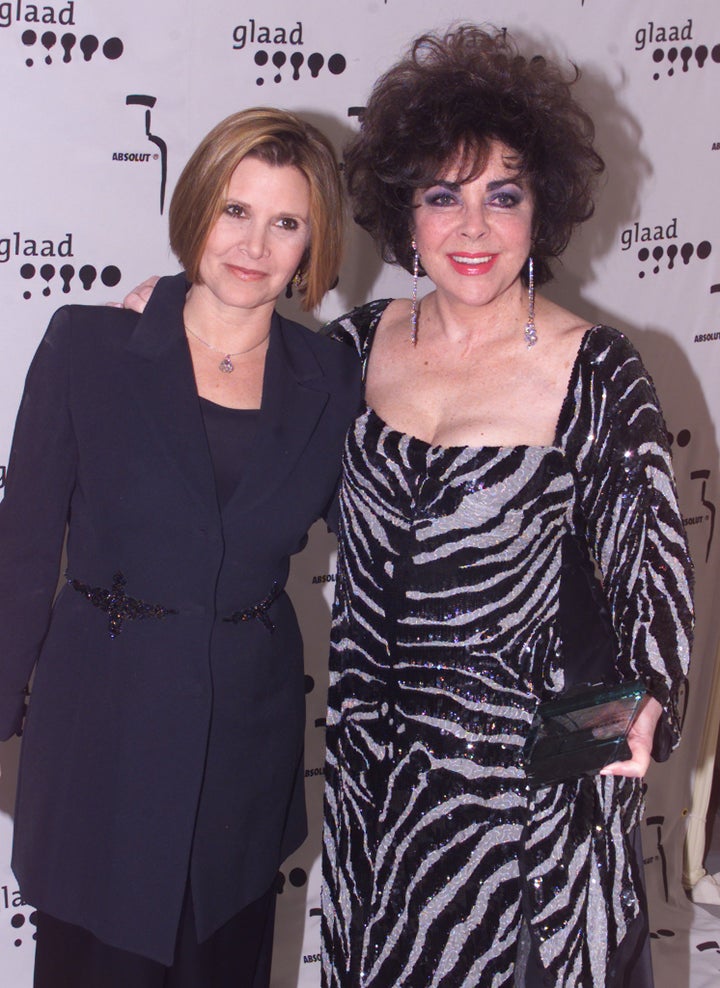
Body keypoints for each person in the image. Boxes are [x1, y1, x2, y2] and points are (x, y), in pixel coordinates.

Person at [320, 25, 693, 988]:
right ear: (405, 214)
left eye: (503, 195)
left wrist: (632, 716)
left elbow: (652, 585)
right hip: (377, 787)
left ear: (544, 211)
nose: (473, 229)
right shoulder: (351, 349)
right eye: (443, 196)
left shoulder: (598, 369)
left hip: (520, 805)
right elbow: (232, 432)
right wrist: (176, 312)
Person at [0, 108, 361, 987]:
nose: (254, 244)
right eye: (235, 211)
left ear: (314, 244)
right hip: (102, 736)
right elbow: (21, 551)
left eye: (286, 222)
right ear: (196, 208)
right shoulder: (88, 345)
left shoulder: (335, 380)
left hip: (243, 752)